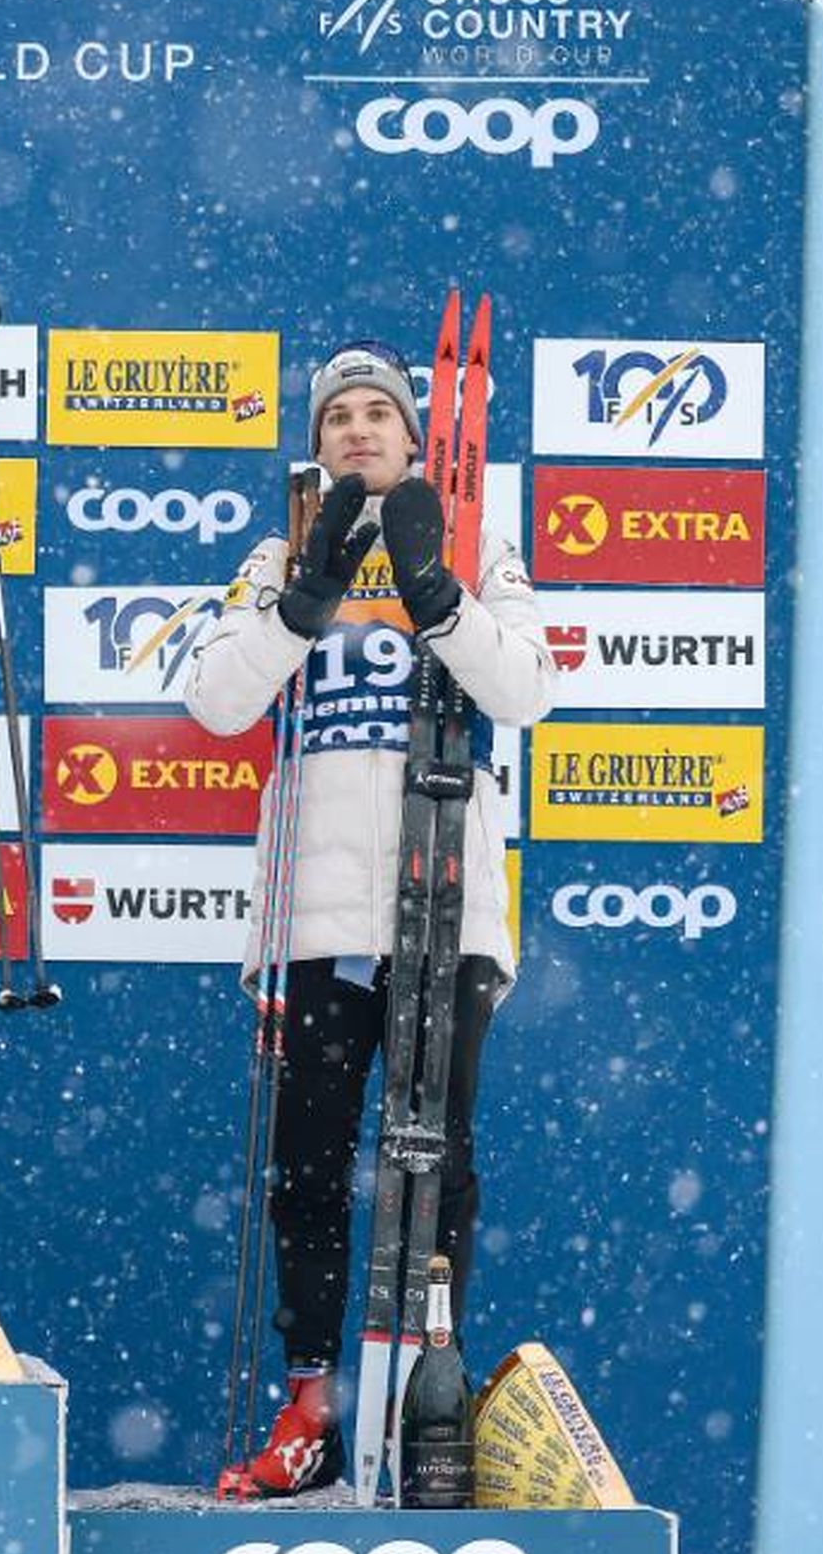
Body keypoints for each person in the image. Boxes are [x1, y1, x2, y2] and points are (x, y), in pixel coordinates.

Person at [184, 338, 555, 1491]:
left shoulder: (475, 538)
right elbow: (211, 703)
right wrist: (301, 602)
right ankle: (313, 1411)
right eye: (336, 414)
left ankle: (425, 1405)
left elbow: (529, 691)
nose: (355, 429)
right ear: (318, 440)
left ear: (413, 437)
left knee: (436, 1164)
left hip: (446, 912)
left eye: (376, 414)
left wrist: (437, 594)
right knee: (304, 1166)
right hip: (316, 918)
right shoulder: (280, 550)